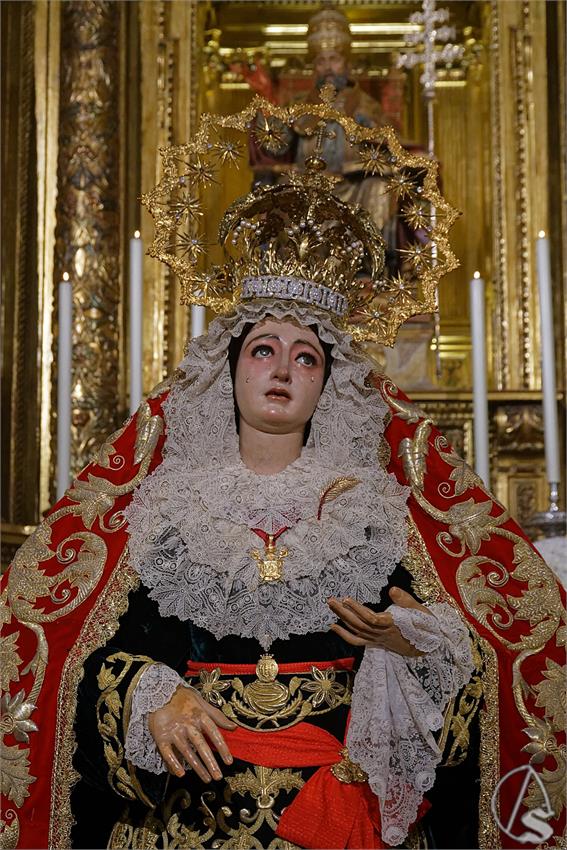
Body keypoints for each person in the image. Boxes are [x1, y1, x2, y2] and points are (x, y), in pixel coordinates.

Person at [1, 101, 565, 850]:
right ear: (228, 367)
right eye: (263, 348)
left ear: (327, 383)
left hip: (341, 816)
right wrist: (149, 696)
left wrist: (416, 647)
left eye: (306, 357)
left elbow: (499, 666)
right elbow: (79, 652)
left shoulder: (376, 511)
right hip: (187, 818)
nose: (282, 370)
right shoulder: (167, 505)